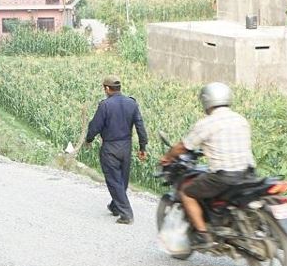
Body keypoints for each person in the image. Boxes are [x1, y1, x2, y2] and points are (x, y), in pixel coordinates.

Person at [160, 82, 255, 249]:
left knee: (187, 192)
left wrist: (168, 157)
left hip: (225, 176)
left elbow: (184, 146)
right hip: (248, 173)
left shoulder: (208, 123)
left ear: (206, 100)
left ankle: (203, 234)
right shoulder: (240, 119)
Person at [84, 75, 148, 224]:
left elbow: (95, 126)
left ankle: (126, 214)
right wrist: (142, 147)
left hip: (110, 147)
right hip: (126, 146)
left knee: (113, 180)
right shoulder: (132, 104)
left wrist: (89, 139)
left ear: (107, 88)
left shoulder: (105, 105)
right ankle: (115, 206)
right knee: (122, 179)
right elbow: (140, 126)